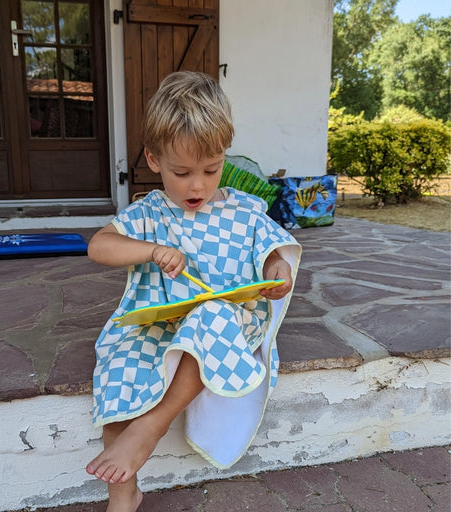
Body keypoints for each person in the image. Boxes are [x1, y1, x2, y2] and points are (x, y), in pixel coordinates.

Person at [85, 70, 301, 512]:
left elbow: (274, 250)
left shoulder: (243, 211)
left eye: (211, 169)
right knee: (122, 368)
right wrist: (149, 250)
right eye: (181, 172)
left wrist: (277, 269)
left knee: (210, 316)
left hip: (227, 323)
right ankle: (123, 497)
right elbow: (99, 245)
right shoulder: (150, 211)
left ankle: (151, 427)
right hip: (160, 322)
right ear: (153, 160)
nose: (197, 185)